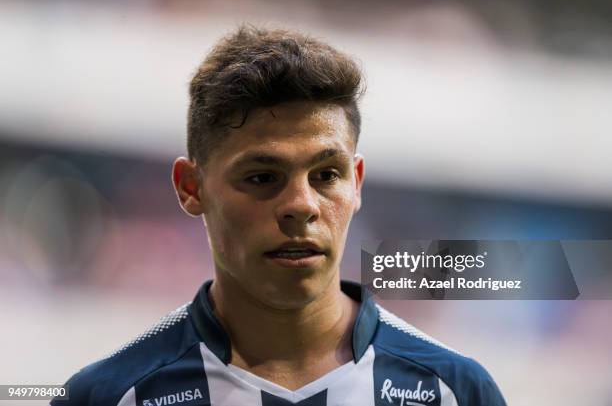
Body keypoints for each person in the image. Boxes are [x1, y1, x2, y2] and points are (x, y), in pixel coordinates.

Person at [51, 25, 506, 406]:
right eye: (263, 177)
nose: (302, 205)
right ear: (191, 188)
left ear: (357, 182)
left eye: (327, 175)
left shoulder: (457, 391)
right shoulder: (106, 395)